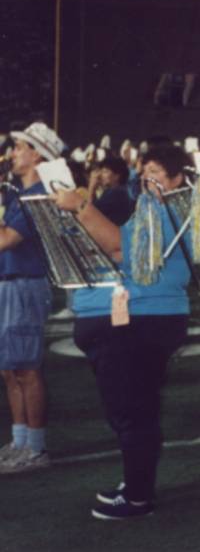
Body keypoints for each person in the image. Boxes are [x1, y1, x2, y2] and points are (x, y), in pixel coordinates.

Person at [50, 144, 200, 519]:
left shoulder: (166, 210)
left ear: (177, 179)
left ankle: (137, 496)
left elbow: (119, 246)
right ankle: (137, 483)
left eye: (155, 173)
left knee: (131, 409)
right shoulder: (155, 210)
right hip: (138, 316)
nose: (146, 179)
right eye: (144, 172)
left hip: (139, 318)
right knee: (137, 406)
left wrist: (81, 207)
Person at [0, 122, 64, 474]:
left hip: (25, 284)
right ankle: (20, 440)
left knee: (26, 368)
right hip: (10, 282)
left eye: (19, 147)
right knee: (10, 370)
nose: (12, 153)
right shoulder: (18, 195)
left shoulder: (37, 195)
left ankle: (36, 448)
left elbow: (5, 240)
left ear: (37, 153)